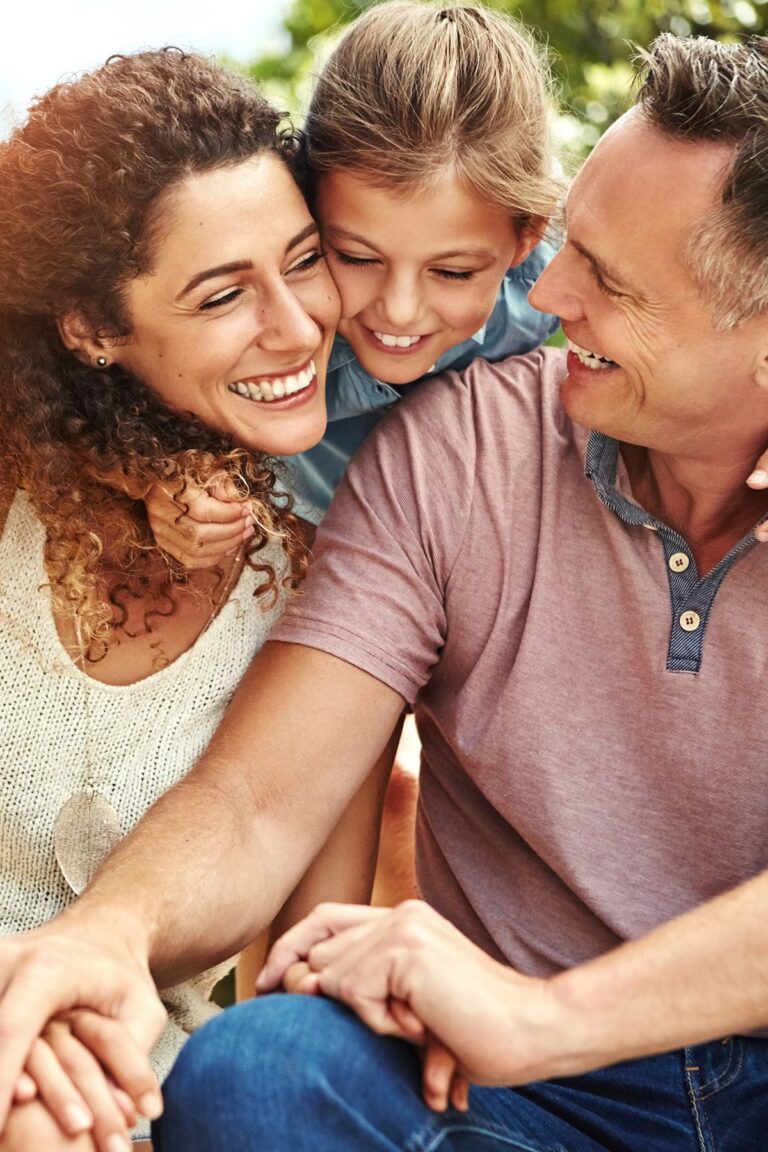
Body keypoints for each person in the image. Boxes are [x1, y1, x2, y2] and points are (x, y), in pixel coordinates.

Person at [5, 21, 768, 1152]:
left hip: (606, 1034)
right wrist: (106, 933)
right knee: (263, 1069)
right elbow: (261, 795)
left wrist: (552, 1020)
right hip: (502, 1080)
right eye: (567, 247)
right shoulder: (453, 442)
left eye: (606, 278)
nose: (549, 295)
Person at [0, 45, 345, 1151]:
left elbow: (304, 991)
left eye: (304, 260)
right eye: (223, 293)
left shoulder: (328, 583)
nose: (297, 325)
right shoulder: (13, 498)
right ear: (92, 329)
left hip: (137, 1090)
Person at [146, 0, 561, 562]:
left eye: (453, 272)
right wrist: (157, 476)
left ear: (525, 238)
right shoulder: (275, 343)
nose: (400, 310)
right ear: (306, 205)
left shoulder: (545, 297)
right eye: (356, 258)